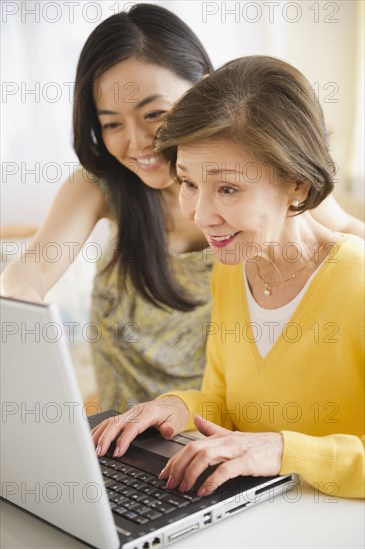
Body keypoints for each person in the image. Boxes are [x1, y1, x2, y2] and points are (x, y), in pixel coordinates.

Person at [1, 5, 363, 412]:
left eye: (154, 114)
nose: (137, 143)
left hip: (216, 419)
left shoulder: (269, 178)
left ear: (204, 90)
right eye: (112, 124)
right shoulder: (100, 184)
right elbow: (33, 265)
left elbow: (346, 231)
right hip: (132, 426)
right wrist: (22, 303)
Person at [91, 55, 364, 499]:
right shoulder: (231, 269)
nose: (200, 215)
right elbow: (226, 404)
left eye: (228, 188)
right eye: (189, 183)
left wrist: (279, 451)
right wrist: (171, 407)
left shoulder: (358, 282)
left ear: (296, 183)